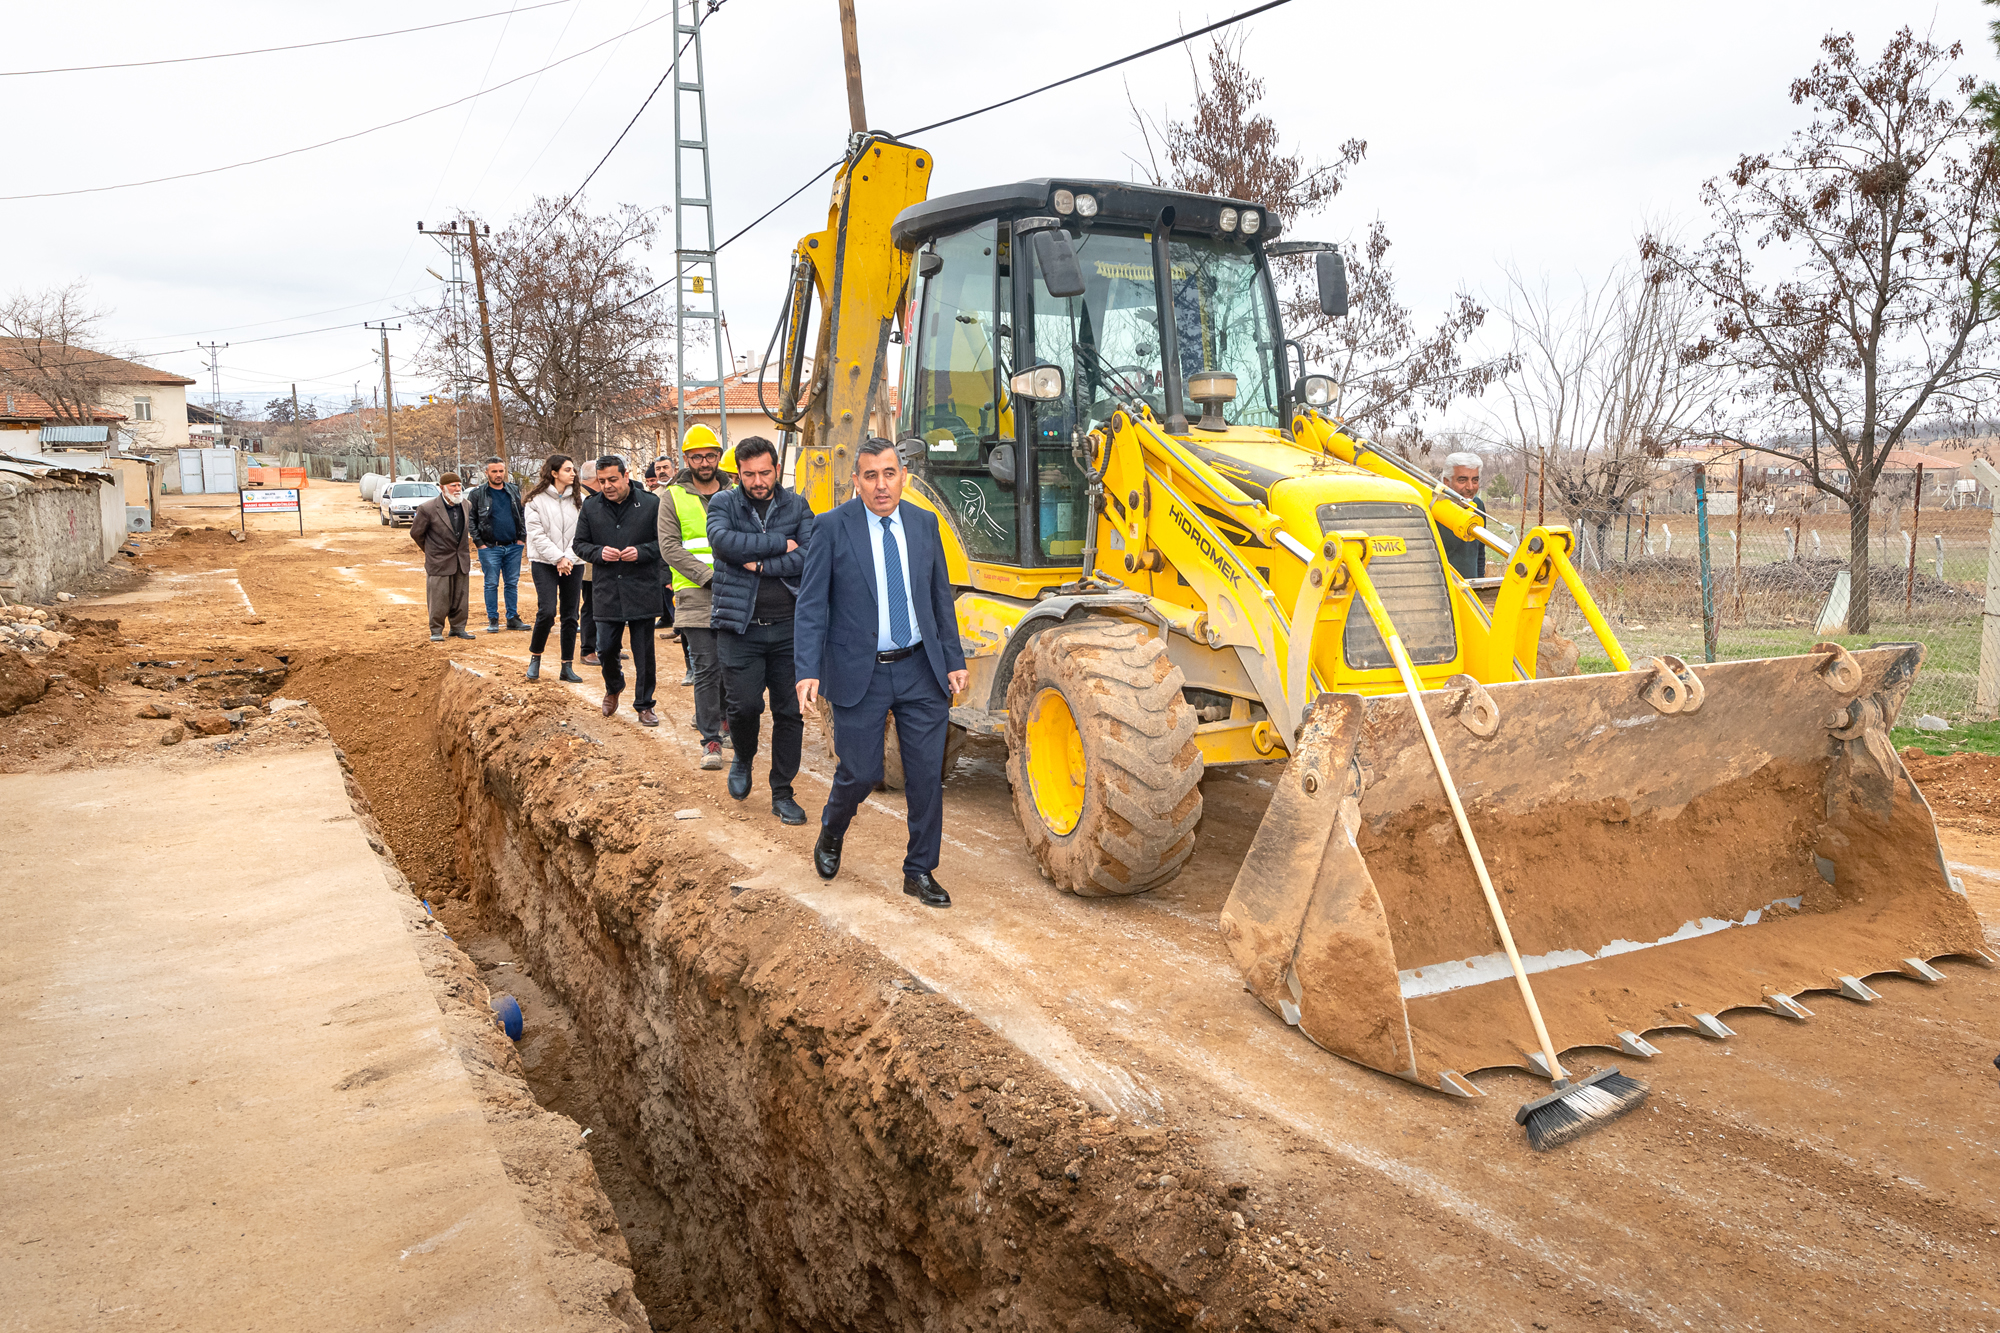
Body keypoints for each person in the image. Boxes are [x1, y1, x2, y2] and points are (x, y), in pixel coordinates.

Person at [795, 438, 967, 906]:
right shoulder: (831, 528)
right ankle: (832, 829)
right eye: (870, 475)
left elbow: (938, 600)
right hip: (859, 673)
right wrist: (806, 669)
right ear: (857, 481)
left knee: (926, 775)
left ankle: (919, 870)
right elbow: (811, 607)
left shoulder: (925, 524)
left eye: (889, 473)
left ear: (903, 476)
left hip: (919, 670)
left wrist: (953, 660)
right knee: (861, 771)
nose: (881, 484)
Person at [707, 436, 814, 826]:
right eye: (749, 474)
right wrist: (776, 544)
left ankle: (783, 791)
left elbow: (808, 552)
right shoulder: (723, 503)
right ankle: (744, 758)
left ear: (776, 470)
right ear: (738, 473)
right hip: (740, 628)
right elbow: (722, 543)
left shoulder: (796, 505)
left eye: (764, 472)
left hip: (790, 630)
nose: (757, 481)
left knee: (790, 712)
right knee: (745, 706)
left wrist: (761, 564)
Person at [657, 425, 735, 770]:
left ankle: (725, 719)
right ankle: (711, 740)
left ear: (718, 457)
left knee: (732, 665)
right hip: (694, 592)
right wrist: (707, 577)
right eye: (697, 456)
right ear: (686, 459)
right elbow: (670, 547)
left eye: (710, 455)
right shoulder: (671, 497)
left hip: (735, 590)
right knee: (706, 666)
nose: (705, 462)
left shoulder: (736, 494)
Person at [573, 455, 664, 725]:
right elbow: (579, 544)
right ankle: (614, 686)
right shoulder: (591, 507)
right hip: (607, 589)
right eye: (602, 481)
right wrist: (599, 552)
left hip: (642, 587)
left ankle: (645, 704)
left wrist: (642, 552)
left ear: (626, 475)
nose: (607, 486)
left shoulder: (650, 504)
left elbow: (665, 543)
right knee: (606, 648)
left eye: (612, 479)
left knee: (644, 652)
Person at [523, 453, 586, 683]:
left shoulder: (581, 500)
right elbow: (536, 535)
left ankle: (566, 666)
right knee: (547, 611)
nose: (573, 473)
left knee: (571, 615)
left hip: (573, 563)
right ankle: (535, 658)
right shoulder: (535, 501)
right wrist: (558, 558)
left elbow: (582, 533)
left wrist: (568, 558)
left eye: (573, 469)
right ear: (554, 472)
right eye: (568, 469)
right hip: (544, 563)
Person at [409, 473, 478, 642]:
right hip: (438, 561)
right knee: (438, 598)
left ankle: (458, 628)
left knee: (461, 597)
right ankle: (436, 630)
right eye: (453, 485)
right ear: (442, 488)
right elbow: (416, 533)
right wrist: (431, 550)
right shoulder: (428, 508)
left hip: (461, 560)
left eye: (459, 485)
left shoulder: (466, 505)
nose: (457, 489)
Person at [470, 456, 529, 632]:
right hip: (490, 547)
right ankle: (493, 619)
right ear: (486, 472)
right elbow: (471, 520)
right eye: (494, 471)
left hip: (513, 546)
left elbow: (522, 514)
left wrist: (521, 539)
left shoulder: (513, 490)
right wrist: (479, 543)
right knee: (491, 583)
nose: (498, 474)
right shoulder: (477, 494)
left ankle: (512, 617)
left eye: (501, 471)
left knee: (512, 583)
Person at [1437, 450, 1488, 581]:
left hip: (1470, 590)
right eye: (1462, 480)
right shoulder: (1433, 508)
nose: (1470, 487)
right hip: (1443, 590)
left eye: (1475, 480)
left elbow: (1480, 552)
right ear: (1446, 481)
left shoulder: (1478, 506)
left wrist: (1480, 585)